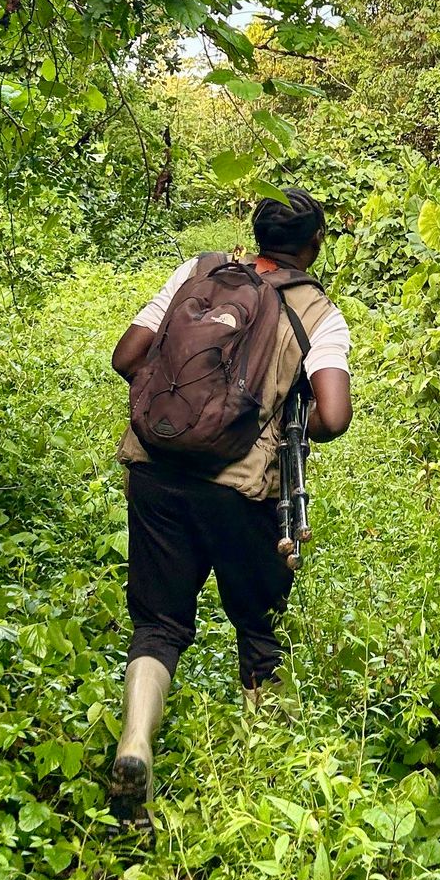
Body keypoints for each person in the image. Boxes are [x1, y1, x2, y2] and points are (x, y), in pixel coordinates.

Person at [106, 190, 353, 819]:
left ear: (256, 233)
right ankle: (260, 781)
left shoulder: (199, 274)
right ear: (315, 243)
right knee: (257, 625)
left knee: (157, 625)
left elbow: (126, 357)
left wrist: (183, 419)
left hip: (156, 471)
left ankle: (136, 741)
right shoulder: (317, 313)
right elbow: (333, 415)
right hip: (242, 490)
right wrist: (271, 422)